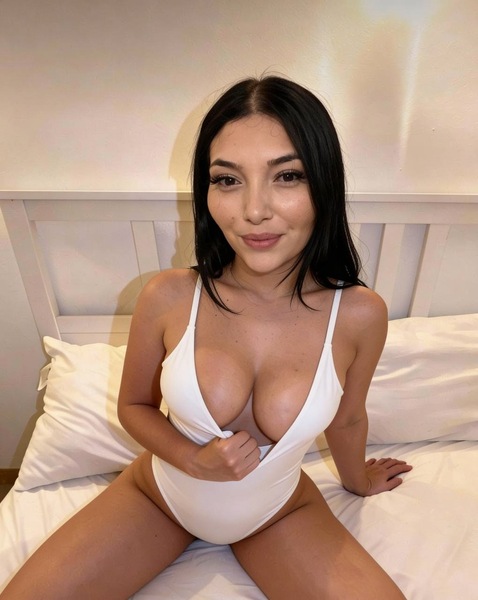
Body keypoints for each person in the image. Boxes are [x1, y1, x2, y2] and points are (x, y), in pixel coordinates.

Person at [1, 75, 412, 599]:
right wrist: (194, 459)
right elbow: (134, 406)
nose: (254, 210)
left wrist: (358, 481)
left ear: (324, 185)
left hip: (277, 512)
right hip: (160, 499)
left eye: (287, 176)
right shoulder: (170, 296)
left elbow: (348, 418)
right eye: (228, 179)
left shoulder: (358, 314)